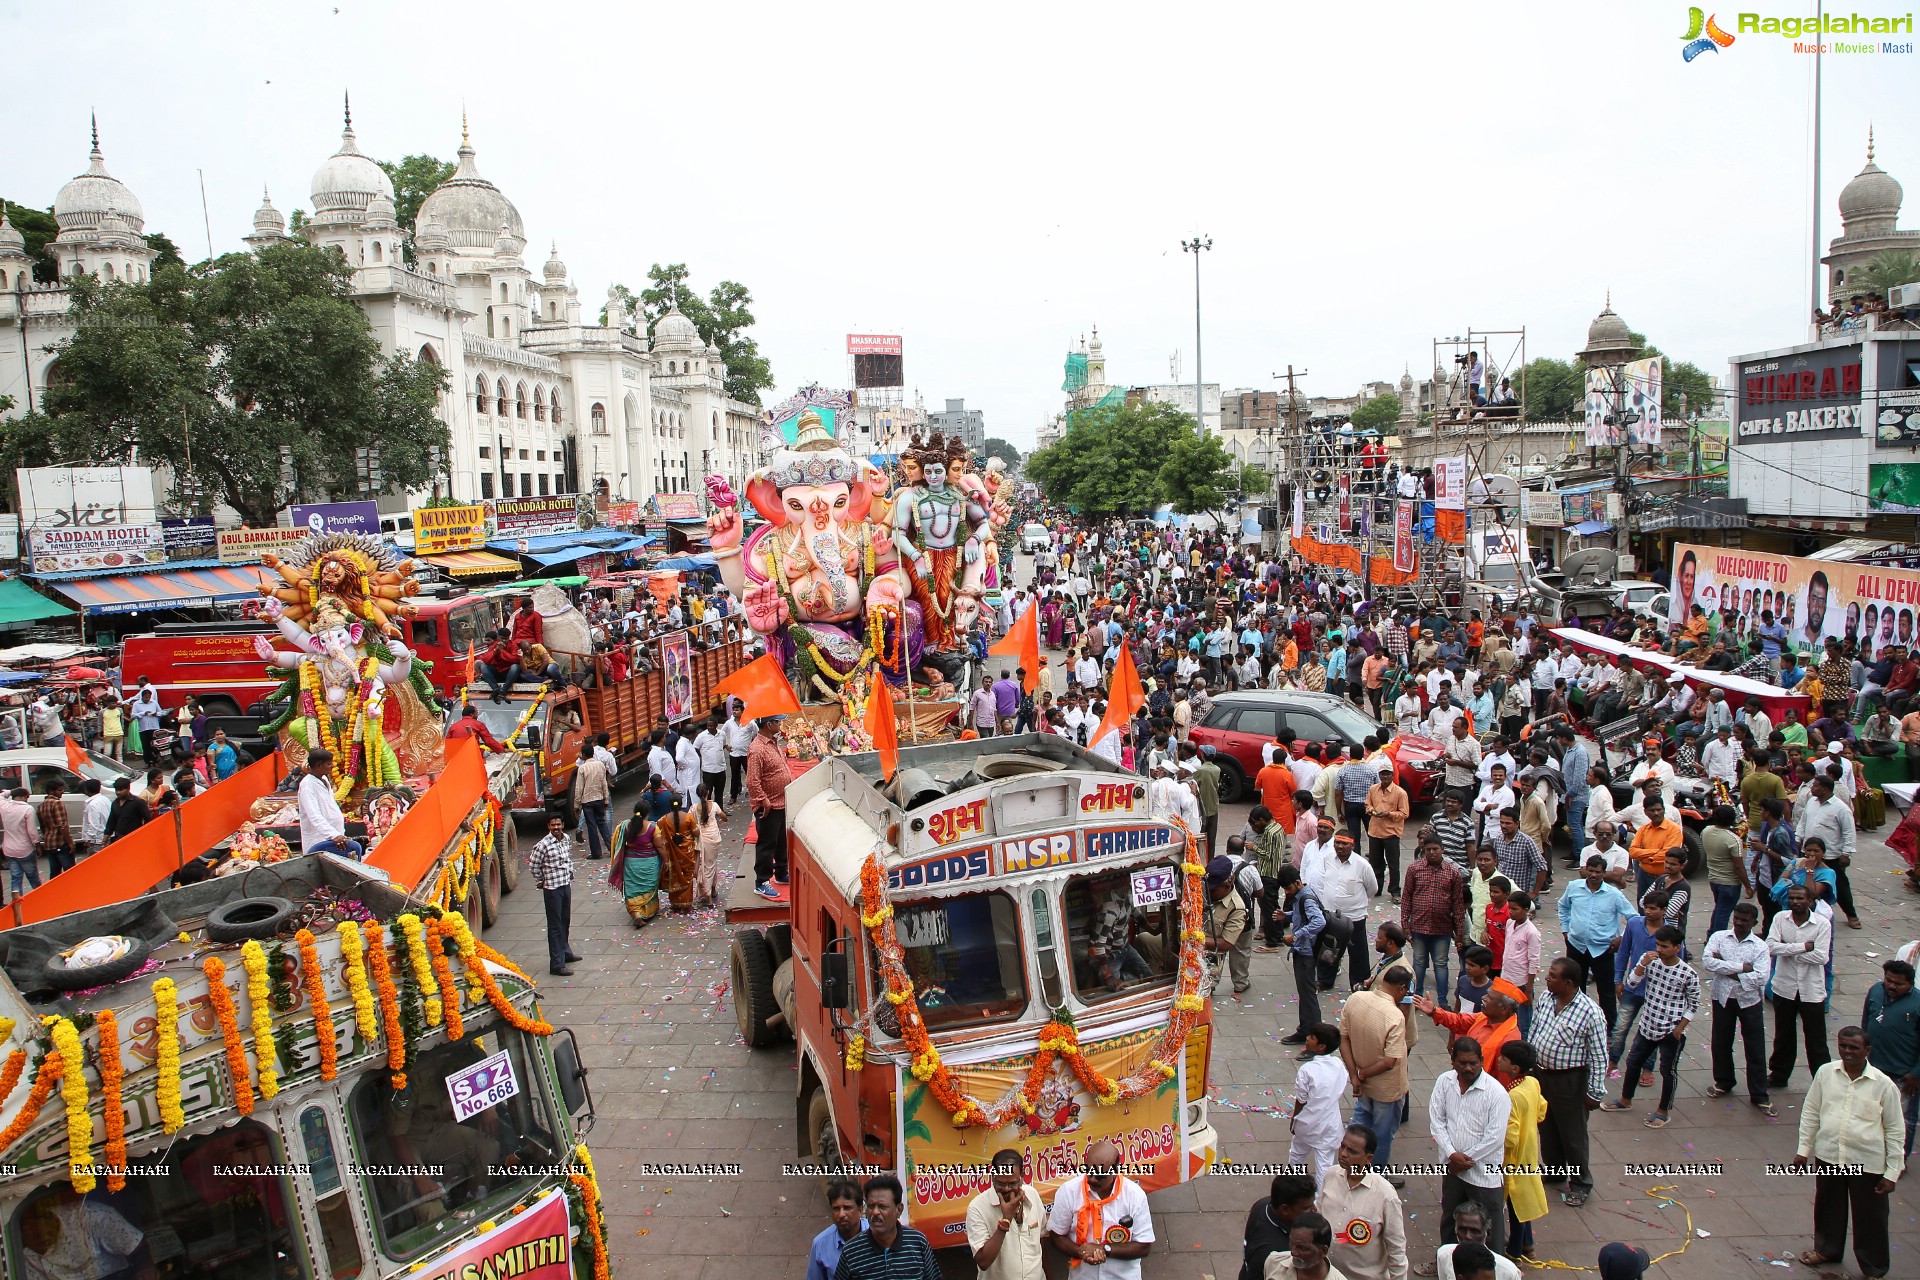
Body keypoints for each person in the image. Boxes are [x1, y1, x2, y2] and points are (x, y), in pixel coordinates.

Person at [1793, 1027, 1904, 1279]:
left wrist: (1892, 1172)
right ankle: (1827, 1250)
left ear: (1867, 1050)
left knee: (1871, 1217)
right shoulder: (1825, 1073)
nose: (1847, 1051)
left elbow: (1895, 1131)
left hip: (1867, 1162)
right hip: (1830, 1154)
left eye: (1854, 1047)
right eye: (1843, 1046)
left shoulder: (1883, 1085)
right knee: (1828, 1206)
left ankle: (1874, 1267)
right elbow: (1811, 1111)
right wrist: (1803, 1150)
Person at [1525, 957, 1607, 1207]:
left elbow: (1599, 1056)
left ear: (1568, 983)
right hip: (1542, 1075)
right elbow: (1534, 1031)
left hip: (1570, 1080)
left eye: (1552, 976)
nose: (1547, 978)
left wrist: (1594, 1092)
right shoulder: (1546, 1000)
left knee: (1573, 1134)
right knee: (1547, 1128)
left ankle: (1580, 1183)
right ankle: (1554, 1171)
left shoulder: (1590, 1012)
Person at [1601, 924, 1697, 1128]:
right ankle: (1625, 1100)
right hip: (1648, 1025)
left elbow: (1694, 1004)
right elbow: (1632, 984)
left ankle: (1663, 1110)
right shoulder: (1650, 961)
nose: (1660, 950)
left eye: (1665, 946)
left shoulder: (1688, 974)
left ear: (1677, 948)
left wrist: (1679, 1029)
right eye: (1658, 945)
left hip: (1671, 1030)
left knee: (1668, 1070)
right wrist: (1641, 965)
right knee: (1634, 1063)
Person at [1431, 1037, 1512, 1256]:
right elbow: (1437, 1122)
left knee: (1490, 1225)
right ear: (1452, 1061)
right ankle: (1447, 1260)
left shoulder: (1496, 1094)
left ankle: (1493, 1267)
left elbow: (1494, 1138)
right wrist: (1451, 1155)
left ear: (1482, 1061)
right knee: (1450, 1217)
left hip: (1483, 1174)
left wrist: (1464, 1160)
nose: (1468, 1068)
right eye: (1462, 1063)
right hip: (1452, 1168)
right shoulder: (1444, 1082)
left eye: (1473, 1063)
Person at [1342, 966, 1411, 1183]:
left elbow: (1343, 1038)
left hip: (1363, 1084)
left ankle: (1351, 1167)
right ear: (1402, 988)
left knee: (1361, 1124)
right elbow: (1390, 1061)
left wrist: (1355, 1075)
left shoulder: (1356, 999)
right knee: (1381, 1136)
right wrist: (1361, 1074)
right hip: (1386, 1089)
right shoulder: (1394, 1015)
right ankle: (1375, 1178)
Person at [1705, 901, 1775, 1115]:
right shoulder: (1719, 937)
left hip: (1749, 1001)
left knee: (1754, 1048)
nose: (1739, 923)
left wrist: (1725, 967)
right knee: (1721, 1041)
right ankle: (1724, 1081)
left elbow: (1761, 977)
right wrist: (1742, 968)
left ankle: (1759, 1094)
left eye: (1744, 920)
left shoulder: (1760, 946)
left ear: (1754, 922)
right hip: (1722, 997)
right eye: (1737, 918)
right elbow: (1708, 962)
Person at [1046, 1139, 1154, 1278]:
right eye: (1089, 1171)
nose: (1092, 1179)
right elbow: (1056, 1236)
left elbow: (1144, 1247)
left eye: (1100, 1176)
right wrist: (1080, 1252)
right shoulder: (1068, 1191)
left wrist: (1105, 1250)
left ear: (1116, 1171)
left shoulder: (1135, 1195)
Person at [1316, 1124, 1408, 1280]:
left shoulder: (1386, 1196)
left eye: (1352, 1151)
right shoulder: (1331, 1175)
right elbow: (1318, 1218)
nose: (1344, 1154)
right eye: (1342, 1147)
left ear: (1368, 1158)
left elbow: (1396, 1249)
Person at [1768, 883, 1833, 1090]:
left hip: (1811, 989)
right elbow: (1770, 946)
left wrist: (1786, 949)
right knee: (1783, 1035)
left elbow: (1821, 957)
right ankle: (1779, 1075)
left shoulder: (1822, 924)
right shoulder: (1780, 918)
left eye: (1800, 898)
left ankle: (1823, 1081)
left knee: (1816, 1039)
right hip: (1784, 986)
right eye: (1792, 898)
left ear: (1809, 901)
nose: (1795, 902)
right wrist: (1803, 947)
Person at [1862, 959, 1920, 1158]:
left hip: (1904, 1074)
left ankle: (1898, 1160)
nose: (1891, 986)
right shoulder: (1876, 992)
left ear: (1910, 984)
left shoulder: (1918, 1003)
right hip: (1875, 1068)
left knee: (1903, 1120)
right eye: (1888, 980)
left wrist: (1915, 1074)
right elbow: (1865, 1026)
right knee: (1872, 1114)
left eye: (1898, 983)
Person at [1495, 1041, 1547, 1259]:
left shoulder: (1512, 1096)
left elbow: (1510, 1135)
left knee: (1515, 1205)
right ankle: (1528, 1244)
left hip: (1515, 1158)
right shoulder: (1532, 1083)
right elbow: (1541, 1110)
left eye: (1503, 1059)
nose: (1499, 1061)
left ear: (1514, 1068)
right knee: (1523, 1200)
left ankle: (1515, 1250)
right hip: (1530, 1150)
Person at [834, 1175, 940, 1280]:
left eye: (882, 1206)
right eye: (871, 1206)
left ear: (898, 1210)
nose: (875, 1212)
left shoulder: (918, 1243)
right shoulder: (851, 1251)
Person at [1401, 837, 1466, 1002]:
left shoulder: (1453, 872)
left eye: (1435, 849)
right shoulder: (1414, 869)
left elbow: (1458, 903)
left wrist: (1459, 932)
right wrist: (1405, 925)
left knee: (1441, 964)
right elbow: (1407, 897)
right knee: (1419, 962)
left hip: (1442, 927)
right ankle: (1417, 997)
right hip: (1419, 926)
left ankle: (1443, 1000)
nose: (1431, 852)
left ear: (1442, 849)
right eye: (1428, 849)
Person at [966, 1149, 1046, 1280]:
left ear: (1022, 1177)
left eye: (1013, 1183)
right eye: (1000, 1183)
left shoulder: (1032, 1195)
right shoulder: (977, 1208)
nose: (1007, 1189)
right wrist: (1006, 1220)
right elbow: (983, 1262)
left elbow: (1040, 1242)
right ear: (992, 1177)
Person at [1289, 1025, 1350, 1185]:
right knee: (1325, 1164)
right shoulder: (1337, 1064)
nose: (1307, 1039)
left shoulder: (1307, 1070)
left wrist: (1294, 1118)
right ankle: (1321, 1199)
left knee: (1297, 1154)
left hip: (1308, 1121)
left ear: (1321, 1047)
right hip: (1330, 1123)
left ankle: (1293, 1186)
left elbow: (1301, 1100)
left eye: (1312, 1037)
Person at [1279, 866, 1327, 1047]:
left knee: (1308, 995)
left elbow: (1319, 921)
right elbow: (1301, 916)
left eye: (1289, 889)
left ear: (1298, 883)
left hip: (1306, 951)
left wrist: (1297, 935)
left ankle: (1314, 1034)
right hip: (1302, 950)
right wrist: (1287, 916)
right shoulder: (1301, 896)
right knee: (1304, 993)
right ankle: (1305, 1029)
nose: (1288, 893)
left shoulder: (1306, 898)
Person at [1240, 1174, 1320, 1280]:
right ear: (1285, 1209)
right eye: (1307, 1208)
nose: (1314, 1209)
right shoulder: (1274, 1252)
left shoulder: (1263, 1204)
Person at [529, 813, 578, 976]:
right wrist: (542, 880)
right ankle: (557, 964)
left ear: (563, 825)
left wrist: (570, 872)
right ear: (548, 827)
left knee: (565, 921)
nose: (556, 827)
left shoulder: (566, 839)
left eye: (558, 824)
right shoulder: (543, 845)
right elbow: (534, 865)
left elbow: (567, 859)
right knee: (555, 926)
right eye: (553, 825)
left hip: (565, 884)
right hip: (552, 889)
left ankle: (566, 952)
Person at [746, 716, 789, 899]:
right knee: (767, 844)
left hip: (781, 802)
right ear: (769, 724)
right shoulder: (757, 749)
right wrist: (764, 801)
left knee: (781, 841)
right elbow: (752, 781)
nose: (780, 725)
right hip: (768, 806)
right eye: (778, 722)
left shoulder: (772, 742)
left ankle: (781, 872)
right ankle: (762, 881)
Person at [296, 750, 361, 858]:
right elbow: (314, 815)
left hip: (336, 837)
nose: (332, 766)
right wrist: (333, 835)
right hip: (319, 839)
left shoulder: (324, 779)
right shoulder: (307, 785)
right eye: (329, 764)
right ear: (318, 766)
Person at [608, 802, 662, 926]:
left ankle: (636, 913)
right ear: (647, 813)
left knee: (633, 888)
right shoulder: (653, 827)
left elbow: (617, 843)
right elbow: (660, 846)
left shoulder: (624, 826)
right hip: (649, 864)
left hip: (631, 864)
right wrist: (667, 859)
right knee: (648, 886)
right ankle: (646, 912)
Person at [1433, 1204, 1522, 1280]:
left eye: (1475, 1231)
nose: (1467, 1236)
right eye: (1462, 1230)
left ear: (1488, 1234)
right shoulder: (1443, 1255)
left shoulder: (1509, 1272)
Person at [1365, 765, 1409, 901]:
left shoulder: (1400, 793)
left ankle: (1395, 891)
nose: (1385, 777)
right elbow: (1367, 804)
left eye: (1388, 774)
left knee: (1393, 864)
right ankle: (1376, 889)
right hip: (1374, 831)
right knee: (1375, 862)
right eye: (1383, 774)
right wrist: (1372, 810)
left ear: (1393, 775)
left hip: (1391, 833)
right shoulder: (1373, 789)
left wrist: (1389, 814)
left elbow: (1404, 813)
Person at [808, 1178, 865, 1280]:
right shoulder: (820, 1244)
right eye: (836, 1209)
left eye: (847, 1208)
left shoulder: (877, 1235)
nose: (841, 1214)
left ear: (860, 1210)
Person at [1262, 1212, 1343, 1280]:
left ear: (1323, 1251)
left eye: (1303, 1248)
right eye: (1292, 1244)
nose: (1293, 1253)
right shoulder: (1274, 1262)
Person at [691, 783, 728, 909]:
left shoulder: (694, 808)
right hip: (714, 838)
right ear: (708, 793)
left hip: (702, 839)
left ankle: (708, 894)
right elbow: (724, 817)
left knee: (704, 866)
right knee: (711, 864)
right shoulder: (714, 805)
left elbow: (691, 823)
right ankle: (711, 891)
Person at [0, 788, 41, 899]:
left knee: (16, 877)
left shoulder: (4, 806)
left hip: (8, 849)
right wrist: (37, 844)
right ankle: (41, 897)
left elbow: (2, 796)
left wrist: (10, 791)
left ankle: (17, 901)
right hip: (25, 849)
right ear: (25, 797)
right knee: (33, 877)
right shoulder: (28, 809)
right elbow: (32, 831)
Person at [103, 777, 150, 845]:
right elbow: (111, 823)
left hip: (135, 839)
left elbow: (148, 820)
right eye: (116, 790)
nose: (118, 792)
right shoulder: (115, 803)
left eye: (121, 790)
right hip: (119, 839)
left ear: (128, 789)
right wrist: (104, 841)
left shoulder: (138, 802)